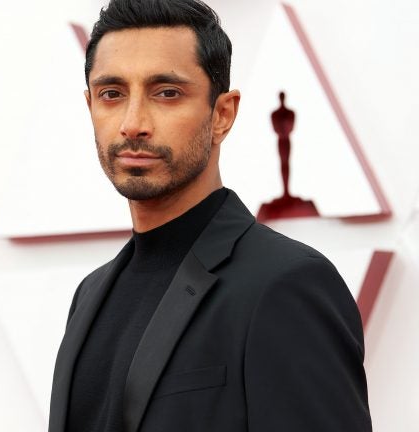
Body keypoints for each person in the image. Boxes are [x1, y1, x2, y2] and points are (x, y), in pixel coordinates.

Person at [48, 1, 371, 431]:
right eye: (112, 94)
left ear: (223, 114)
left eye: (166, 93)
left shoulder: (286, 284)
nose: (132, 123)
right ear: (91, 106)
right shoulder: (89, 296)